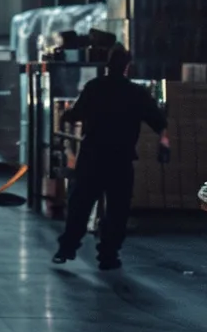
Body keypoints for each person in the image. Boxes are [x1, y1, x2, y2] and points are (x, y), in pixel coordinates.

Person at [53, 47, 168, 270]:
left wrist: (66, 114)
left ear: (107, 65)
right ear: (128, 66)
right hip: (120, 158)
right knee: (117, 210)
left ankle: (66, 248)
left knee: (81, 204)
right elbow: (159, 122)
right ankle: (108, 255)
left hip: (93, 156)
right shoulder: (136, 93)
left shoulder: (94, 87)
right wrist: (164, 144)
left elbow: (76, 114)